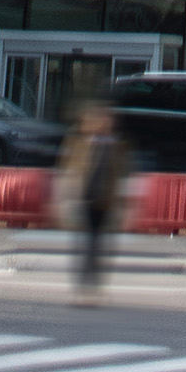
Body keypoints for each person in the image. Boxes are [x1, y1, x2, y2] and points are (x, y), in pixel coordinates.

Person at [62, 100, 127, 294]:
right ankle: (85, 281)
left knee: (97, 243)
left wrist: (123, 204)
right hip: (85, 199)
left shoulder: (116, 145)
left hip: (106, 201)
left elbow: (121, 174)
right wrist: (66, 197)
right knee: (88, 242)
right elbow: (70, 170)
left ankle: (92, 280)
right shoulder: (79, 144)